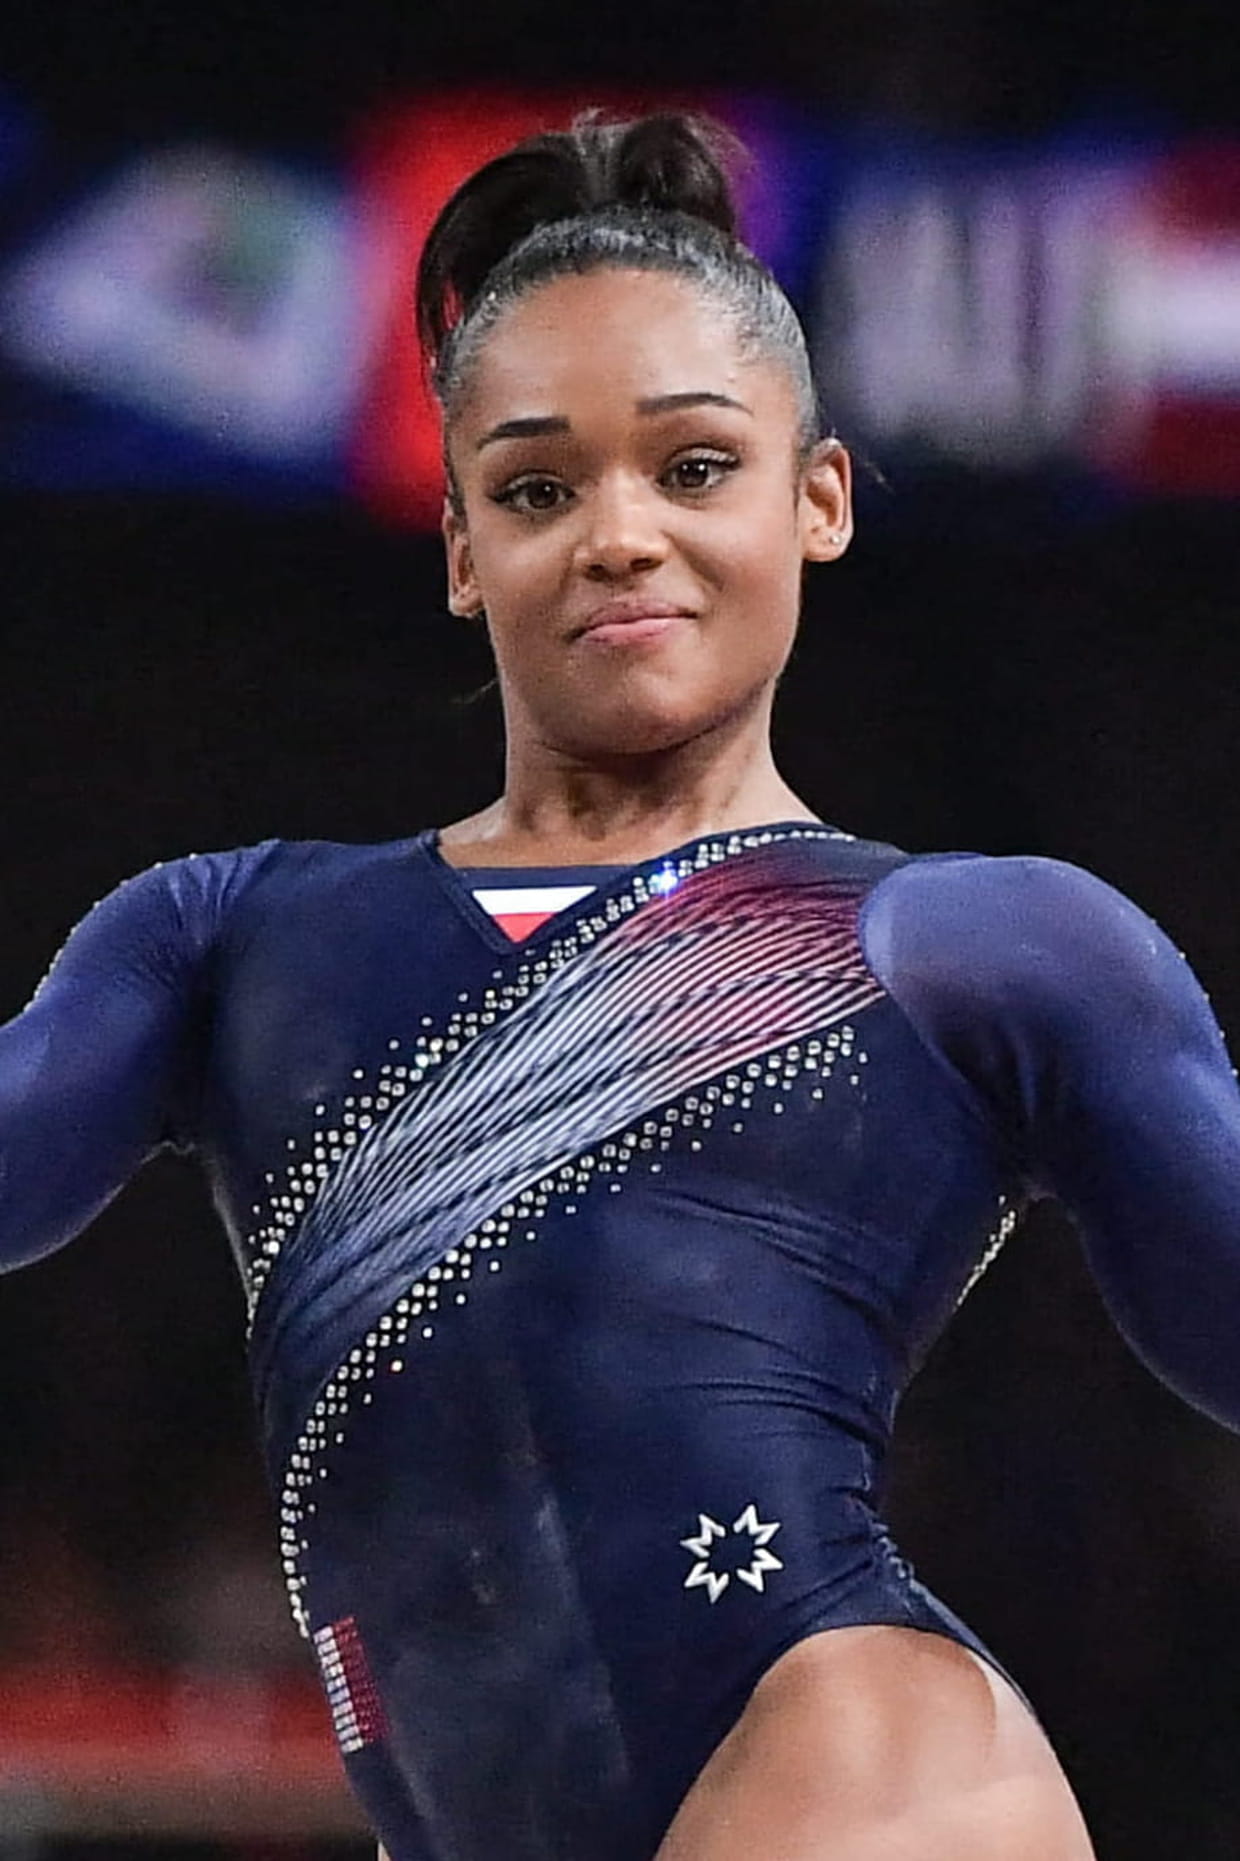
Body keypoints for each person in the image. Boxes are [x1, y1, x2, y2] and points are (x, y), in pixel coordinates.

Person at [2, 111, 1238, 1861]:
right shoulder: (222, 936)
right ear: (459, 547)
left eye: (696, 465)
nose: (619, 535)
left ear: (819, 498)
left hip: (859, 1761)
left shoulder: (978, 947)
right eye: (536, 488)